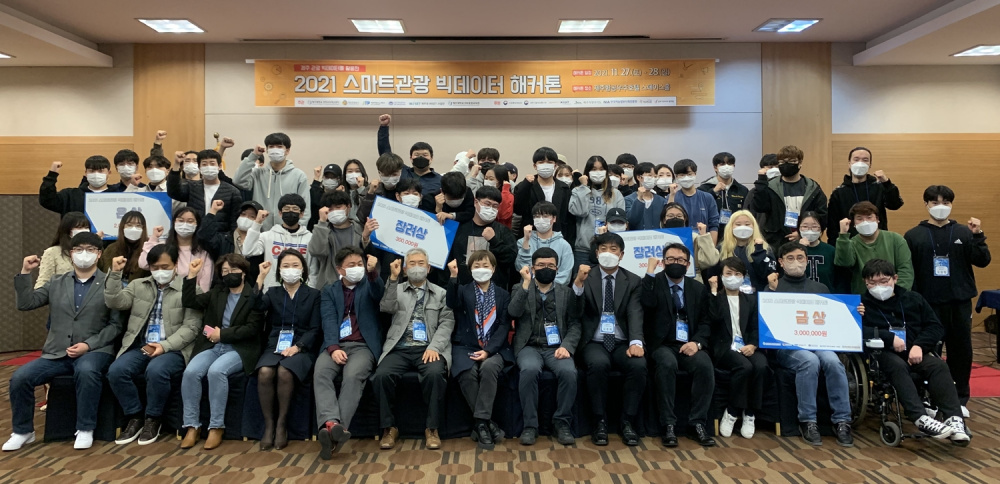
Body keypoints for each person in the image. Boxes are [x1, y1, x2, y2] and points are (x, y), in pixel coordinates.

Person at [7, 232, 121, 451]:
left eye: (90, 250)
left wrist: (88, 345)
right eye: (79, 250)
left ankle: (85, 428)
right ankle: (23, 431)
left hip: (94, 351)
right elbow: (26, 303)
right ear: (71, 254)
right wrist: (25, 272)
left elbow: (115, 326)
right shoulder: (56, 282)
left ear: (99, 254)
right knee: (20, 378)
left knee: (87, 372)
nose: (84, 254)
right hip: (57, 352)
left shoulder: (110, 283)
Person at [859, 259, 970, 445]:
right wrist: (888, 337)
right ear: (865, 282)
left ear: (895, 278)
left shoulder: (913, 299)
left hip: (915, 351)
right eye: (872, 282)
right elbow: (857, 330)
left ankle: (954, 419)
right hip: (882, 353)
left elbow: (935, 326)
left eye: (884, 281)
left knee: (938, 366)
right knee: (897, 366)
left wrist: (919, 345)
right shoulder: (862, 305)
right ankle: (919, 417)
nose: (878, 287)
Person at [904, 185, 990, 416]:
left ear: (952, 205)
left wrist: (978, 236)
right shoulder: (913, 235)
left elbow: (983, 261)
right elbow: (910, 271)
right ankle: (930, 398)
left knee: (961, 351)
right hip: (928, 303)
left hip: (959, 302)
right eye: (935, 202)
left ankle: (959, 399)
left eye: (945, 202)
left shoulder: (964, 232)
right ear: (926, 204)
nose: (940, 207)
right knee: (928, 351)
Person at [104, 244, 200, 446]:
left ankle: (153, 419)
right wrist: (115, 274)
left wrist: (165, 346)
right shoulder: (138, 285)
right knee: (116, 371)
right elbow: (115, 302)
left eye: (165, 267)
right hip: (142, 345)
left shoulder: (189, 287)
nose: (160, 271)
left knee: (156, 371)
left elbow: (192, 327)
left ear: (176, 265)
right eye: (155, 267)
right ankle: (135, 416)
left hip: (173, 348)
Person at [769, 242, 854, 447]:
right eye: (790, 258)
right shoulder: (774, 287)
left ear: (807, 261)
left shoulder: (821, 288)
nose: (796, 262)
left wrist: (854, 312)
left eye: (800, 258)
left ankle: (842, 420)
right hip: (787, 346)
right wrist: (773, 292)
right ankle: (808, 421)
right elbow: (768, 323)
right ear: (781, 262)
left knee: (833, 362)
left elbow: (833, 319)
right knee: (809, 361)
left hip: (818, 341)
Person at [180, 254, 264, 450]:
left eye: (234, 270)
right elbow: (190, 301)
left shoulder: (252, 295)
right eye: (225, 271)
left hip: (239, 348)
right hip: (212, 346)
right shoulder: (218, 292)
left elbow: (253, 328)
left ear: (243, 273)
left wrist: (223, 334)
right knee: (190, 372)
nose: (229, 274)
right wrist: (192, 275)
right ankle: (192, 425)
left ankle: (216, 426)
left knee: (216, 371)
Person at [372, 249, 454, 450]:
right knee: (381, 376)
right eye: (412, 263)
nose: (417, 267)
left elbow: (447, 323)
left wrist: (434, 347)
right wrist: (392, 279)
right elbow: (386, 308)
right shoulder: (396, 288)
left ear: (429, 268)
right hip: (398, 348)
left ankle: (432, 429)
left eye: (421, 263)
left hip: (428, 347)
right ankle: (389, 428)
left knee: (435, 374)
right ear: (405, 269)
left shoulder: (441, 293)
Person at [572, 232, 646, 446]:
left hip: (622, 341)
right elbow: (574, 313)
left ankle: (627, 421)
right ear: (596, 253)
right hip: (594, 341)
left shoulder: (632, 280)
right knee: (598, 364)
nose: (608, 253)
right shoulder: (585, 276)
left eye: (613, 249)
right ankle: (599, 421)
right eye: (603, 249)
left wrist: (636, 342)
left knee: (638, 365)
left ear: (621, 255)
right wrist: (578, 285)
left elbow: (635, 313)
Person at [641, 243, 716, 447]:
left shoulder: (698, 289)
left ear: (688, 264)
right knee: (667, 364)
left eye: (680, 260)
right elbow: (646, 304)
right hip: (662, 345)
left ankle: (697, 423)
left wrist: (697, 343)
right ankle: (668, 424)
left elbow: (706, 322)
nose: (676, 263)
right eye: (671, 259)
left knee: (704, 365)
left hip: (689, 344)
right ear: (663, 262)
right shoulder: (653, 282)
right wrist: (649, 272)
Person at [315, 248, 383, 459]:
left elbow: (380, 294)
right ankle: (332, 423)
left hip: (363, 346)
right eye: (351, 265)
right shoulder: (329, 291)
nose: (357, 268)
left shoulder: (369, 285)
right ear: (340, 269)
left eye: (359, 264)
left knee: (352, 376)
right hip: (335, 345)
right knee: (321, 373)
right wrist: (333, 348)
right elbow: (328, 320)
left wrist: (372, 273)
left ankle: (334, 430)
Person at [509, 247, 581, 446]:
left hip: (557, 347)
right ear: (532, 268)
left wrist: (567, 346)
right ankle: (530, 426)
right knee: (529, 370)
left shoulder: (566, 292)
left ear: (557, 269)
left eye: (550, 265)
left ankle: (562, 423)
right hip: (529, 346)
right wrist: (525, 285)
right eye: (541, 265)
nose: (546, 269)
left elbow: (575, 324)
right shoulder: (520, 288)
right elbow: (513, 312)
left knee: (569, 372)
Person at [253, 250, 321, 450]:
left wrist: (298, 347)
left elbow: (315, 328)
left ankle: (281, 424)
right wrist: (260, 277)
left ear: (303, 269)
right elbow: (255, 306)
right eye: (286, 266)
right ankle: (269, 425)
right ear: (279, 270)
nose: (290, 269)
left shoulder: (314, 295)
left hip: (302, 346)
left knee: (284, 371)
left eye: (295, 265)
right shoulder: (273, 292)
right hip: (275, 344)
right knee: (265, 372)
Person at [446, 251, 512, 450]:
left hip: (495, 347)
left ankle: (481, 424)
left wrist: (489, 351)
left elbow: (504, 326)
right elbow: (451, 302)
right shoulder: (462, 290)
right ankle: (486, 424)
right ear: (470, 270)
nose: (481, 269)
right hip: (465, 346)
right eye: (476, 266)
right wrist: (453, 277)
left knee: (489, 368)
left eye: (485, 265)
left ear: (493, 269)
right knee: (466, 373)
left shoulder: (503, 294)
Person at [707, 258, 766, 439]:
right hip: (724, 347)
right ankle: (732, 411)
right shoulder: (715, 297)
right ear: (721, 276)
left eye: (737, 274)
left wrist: (753, 345)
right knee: (744, 366)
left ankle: (750, 413)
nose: (733, 277)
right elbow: (713, 319)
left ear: (743, 277)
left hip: (747, 345)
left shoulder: (751, 300)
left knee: (761, 365)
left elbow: (756, 327)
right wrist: (713, 291)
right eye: (728, 273)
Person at [751, 146, 828, 249]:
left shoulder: (813, 188)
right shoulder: (770, 187)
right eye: (782, 162)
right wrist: (761, 182)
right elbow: (759, 207)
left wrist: (802, 233)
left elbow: (822, 216)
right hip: (776, 243)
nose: (786, 164)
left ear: (800, 163)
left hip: (805, 242)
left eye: (792, 161)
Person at [442, 186, 516, 290]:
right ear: (476, 202)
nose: (491, 208)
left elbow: (510, 259)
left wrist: (494, 241)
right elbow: (448, 260)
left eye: (495, 206)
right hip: (463, 289)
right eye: (487, 204)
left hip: (494, 290)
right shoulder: (460, 229)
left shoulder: (503, 231)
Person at [234, 132, 311, 231]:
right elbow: (238, 181)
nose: (275, 149)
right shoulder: (258, 173)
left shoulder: (299, 176)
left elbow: (305, 208)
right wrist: (253, 156)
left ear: (287, 151)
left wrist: (297, 231)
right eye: (271, 146)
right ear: (267, 150)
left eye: (279, 146)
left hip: (289, 231)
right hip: (260, 230)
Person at [826, 148, 904, 244]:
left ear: (870, 165)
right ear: (849, 163)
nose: (860, 163)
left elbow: (895, 205)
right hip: (851, 244)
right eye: (856, 159)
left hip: (878, 242)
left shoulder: (879, 187)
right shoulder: (839, 192)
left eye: (865, 160)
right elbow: (832, 226)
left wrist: (886, 183)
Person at [834, 201, 914, 294]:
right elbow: (845, 263)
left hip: (894, 295)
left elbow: (905, 270)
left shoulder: (896, 239)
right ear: (854, 223)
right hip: (864, 297)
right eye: (859, 218)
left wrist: (897, 294)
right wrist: (843, 235)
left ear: (877, 219)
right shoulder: (852, 243)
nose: (865, 222)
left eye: (869, 217)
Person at [243, 194, 314, 290]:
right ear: (280, 213)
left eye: (295, 209)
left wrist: (310, 289)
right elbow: (247, 251)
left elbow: (313, 268)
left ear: (301, 214)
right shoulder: (268, 236)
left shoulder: (310, 238)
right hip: (272, 290)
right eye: (286, 209)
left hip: (301, 291)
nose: (290, 211)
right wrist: (257, 223)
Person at [570, 156, 626, 271]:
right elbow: (579, 212)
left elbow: (621, 221)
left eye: (601, 169)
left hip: (608, 249)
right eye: (594, 169)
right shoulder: (577, 190)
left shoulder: (616, 194)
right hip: (583, 249)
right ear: (587, 172)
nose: (598, 172)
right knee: (582, 279)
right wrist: (584, 187)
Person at [167, 149, 244, 233]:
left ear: (219, 166)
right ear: (199, 167)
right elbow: (173, 192)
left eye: (212, 163)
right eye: (204, 164)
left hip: (220, 235)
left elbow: (234, 220)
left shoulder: (232, 191)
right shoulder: (192, 187)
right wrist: (176, 164)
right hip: (195, 233)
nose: (208, 167)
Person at [140, 207, 214, 293]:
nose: (185, 224)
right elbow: (143, 264)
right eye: (181, 220)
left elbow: (205, 285)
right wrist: (154, 238)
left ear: (197, 225)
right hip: (162, 294)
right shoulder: (163, 246)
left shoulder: (203, 252)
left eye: (190, 221)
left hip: (190, 296)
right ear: (174, 222)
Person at [512, 147, 572, 240]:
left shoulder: (564, 188)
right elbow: (518, 209)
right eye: (541, 162)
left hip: (557, 237)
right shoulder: (525, 186)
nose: (545, 165)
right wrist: (525, 186)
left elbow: (568, 218)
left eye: (549, 162)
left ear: (555, 165)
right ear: (535, 166)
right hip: (531, 237)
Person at [375, 114, 442, 195]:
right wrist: (384, 127)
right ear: (411, 158)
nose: (420, 157)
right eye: (417, 155)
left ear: (431, 158)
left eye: (425, 155)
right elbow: (385, 154)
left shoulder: (440, 180)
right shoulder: (402, 171)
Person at [309, 191, 363, 289]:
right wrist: (322, 222)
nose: (334, 212)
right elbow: (316, 251)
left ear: (348, 206)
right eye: (330, 209)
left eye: (338, 207)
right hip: (330, 286)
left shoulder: (360, 230)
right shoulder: (323, 231)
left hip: (358, 286)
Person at [715, 210, 777, 293]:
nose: (743, 227)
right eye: (738, 224)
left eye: (747, 224)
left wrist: (759, 251)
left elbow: (769, 275)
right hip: (729, 295)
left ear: (754, 226)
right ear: (731, 227)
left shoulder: (765, 248)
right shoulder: (721, 249)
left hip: (757, 294)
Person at [516, 202, 575, 285]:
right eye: (537, 216)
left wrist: (547, 288)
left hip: (555, 290)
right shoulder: (522, 241)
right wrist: (526, 241)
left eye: (545, 216)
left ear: (554, 218)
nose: (541, 220)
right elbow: (520, 268)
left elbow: (565, 275)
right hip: (529, 288)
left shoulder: (564, 245)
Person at [39, 156, 121, 217]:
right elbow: (47, 201)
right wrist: (52, 175)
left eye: (100, 171)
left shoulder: (117, 194)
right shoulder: (70, 195)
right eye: (92, 171)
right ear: (86, 173)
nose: (96, 174)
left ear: (109, 173)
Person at [672, 159, 720, 244]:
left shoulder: (707, 197)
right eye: (682, 175)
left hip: (704, 242)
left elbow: (714, 224)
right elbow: (667, 220)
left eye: (689, 174)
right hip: (680, 243)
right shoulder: (673, 197)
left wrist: (711, 248)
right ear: (676, 177)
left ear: (695, 174)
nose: (686, 178)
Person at [37, 211, 90, 288]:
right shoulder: (53, 252)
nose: (84, 230)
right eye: (79, 227)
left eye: (86, 227)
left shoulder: (92, 252)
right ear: (68, 230)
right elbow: (43, 282)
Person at [699, 152, 748, 235]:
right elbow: (700, 208)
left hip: (736, 233)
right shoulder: (704, 189)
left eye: (729, 164)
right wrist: (713, 192)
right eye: (722, 164)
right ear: (715, 168)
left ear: (734, 166)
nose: (726, 167)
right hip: (712, 232)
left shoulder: (742, 190)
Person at [97, 211, 152, 284]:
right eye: (129, 225)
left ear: (143, 228)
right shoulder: (111, 248)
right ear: (122, 227)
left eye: (138, 226)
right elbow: (101, 270)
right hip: (113, 287)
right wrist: (96, 242)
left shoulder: (148, 249)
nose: (134, 229)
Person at [796, 212, 839, 292]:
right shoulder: (791, 249)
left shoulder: (830, 250)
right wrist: (800, 248)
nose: (809, 230)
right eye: (805, 226)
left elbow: (838, 278)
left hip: (826, 295)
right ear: (799, 228)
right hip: (799, 295)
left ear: (821, 229)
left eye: (814, 227)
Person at [357, 152, 406, 220]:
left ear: (400, 171)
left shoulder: (407, 188)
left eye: (394, 174)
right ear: (379, 173)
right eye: (386, 175)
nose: (390, 178)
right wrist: (370, 193)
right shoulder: (370, 189)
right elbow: (362, 217)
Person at [626, 162, 668, 229]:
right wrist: (639, 199)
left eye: (655, 176)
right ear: (639, 177)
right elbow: (632, 220)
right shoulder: (629, 199)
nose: (653, 179)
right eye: (650, 176)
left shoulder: (661, 200)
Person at [743, 154, 778, 222]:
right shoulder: (754, 192)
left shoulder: (784, 189)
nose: (775, 169)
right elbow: (747, 213)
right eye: (770, 167)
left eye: (777, 167)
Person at [309, 163, 343, 231]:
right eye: (327, 177)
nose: (329, 179)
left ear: (339, 179)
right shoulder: (317, 192)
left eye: (333, 177)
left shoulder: (342, 195)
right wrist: (316, 178)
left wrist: (337, 193)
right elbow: (314, 201)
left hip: (334, 231)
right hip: (314, 229)